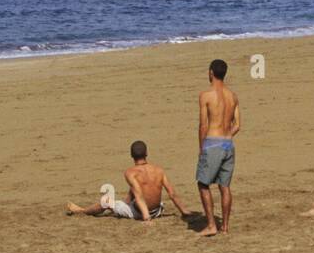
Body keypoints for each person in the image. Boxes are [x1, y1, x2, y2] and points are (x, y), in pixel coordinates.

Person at [66, 140, 191, 224]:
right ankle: (123, 206)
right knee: (138, 187)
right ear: (146, 153)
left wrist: (146, 217)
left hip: (141, 212)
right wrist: (184, 211)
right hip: (158, 210)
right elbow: (172, 193)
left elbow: (139, 196)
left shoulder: (131, 172)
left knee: (106, 201)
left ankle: (81, 211)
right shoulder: (158, 170)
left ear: (131, 155)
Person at [196, 58, 241, 237]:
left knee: (203, 184)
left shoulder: (205, 95)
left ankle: (211, 225)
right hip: (228, 143)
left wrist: (202, 147)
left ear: (211, 73)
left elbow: (203, 125)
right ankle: (225, 226)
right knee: (224, 186)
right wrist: (227, 135)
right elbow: (237, 125)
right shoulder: (233, 96)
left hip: (212, 142)